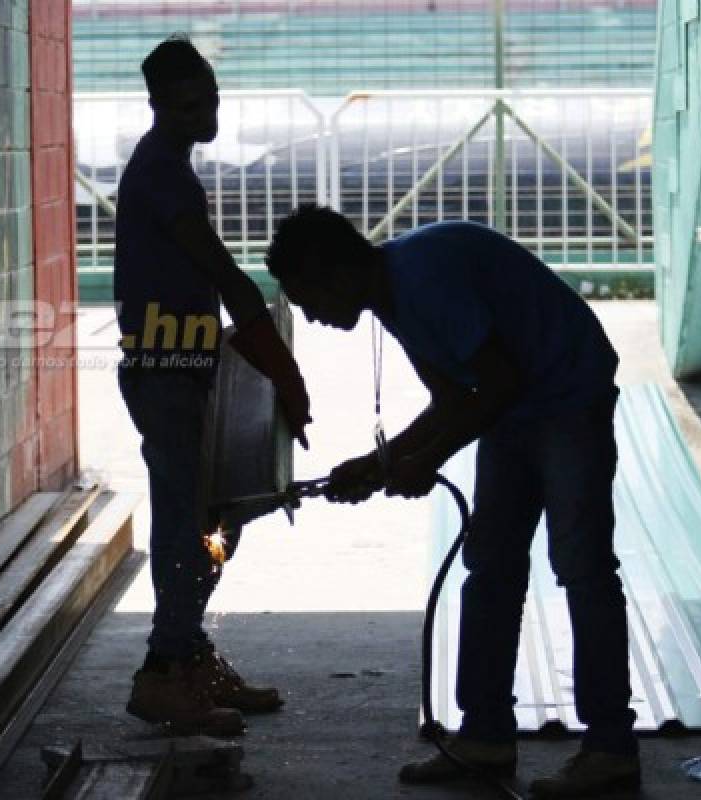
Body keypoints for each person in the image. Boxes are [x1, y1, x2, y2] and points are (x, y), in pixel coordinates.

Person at [264, 206, 639, 798]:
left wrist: (426, 461)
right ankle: (486, 735)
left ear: (331, 273)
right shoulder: (391, 297)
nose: (310, 316)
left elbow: (497, 382)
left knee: (582, 565)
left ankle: (611, 747)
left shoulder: (422, 277)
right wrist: (381, 463)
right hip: (519, 409)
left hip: (569, 397)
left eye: (306, 298)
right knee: (490, 566)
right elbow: (450, 399)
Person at [114, 36, 312, 736]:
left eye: (212, 98)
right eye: (190, 104)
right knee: (190, 524)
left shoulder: (166, 169)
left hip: (181, 366)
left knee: (208, 518)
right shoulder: (163, 177)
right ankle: (165, 673)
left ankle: (188, 657)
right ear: (159, 105)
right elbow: (226, 277)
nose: (207, 114)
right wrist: (284, 375)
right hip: (166, 372)